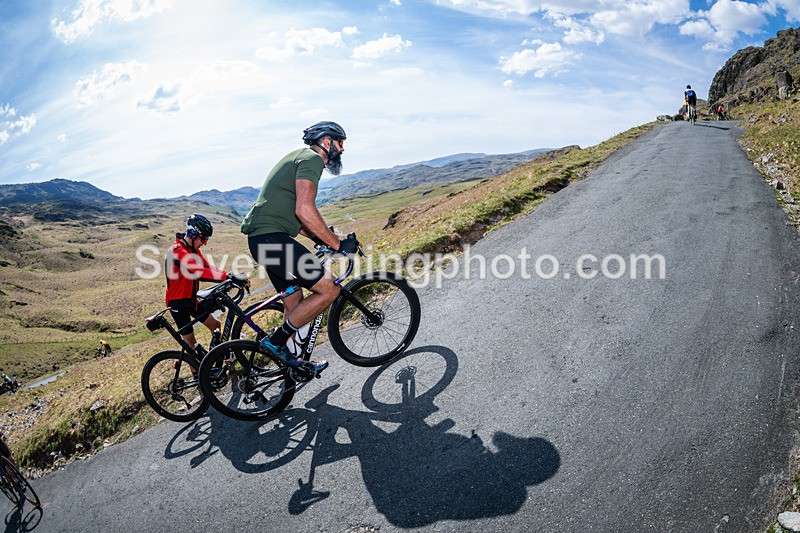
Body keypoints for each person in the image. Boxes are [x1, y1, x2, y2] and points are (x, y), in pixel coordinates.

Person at [240, 121, 360, 374]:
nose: (343, 149)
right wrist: (337, 243)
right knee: (328, 290)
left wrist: (322, 239)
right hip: (271, 240)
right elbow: (304, 209)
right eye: (341, 142)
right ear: (327, 142)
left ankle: (292, 365)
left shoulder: (298, 157)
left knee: (294, 300)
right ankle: (275, 343)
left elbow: (298, 220)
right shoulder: (312, 160)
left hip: (264, 241)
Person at [166, 213, 247, 357]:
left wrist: (230, 277)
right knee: (190, 343)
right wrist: (227, 277)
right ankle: (197, 376)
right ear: (192, 234)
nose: (205, 242)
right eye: (203, 238)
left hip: (191, 300)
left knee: (215, 325)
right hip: (177, 303)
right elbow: (198, 272)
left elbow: (208, 268)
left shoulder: (193, 250)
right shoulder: (177, 251)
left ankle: (216, 358)